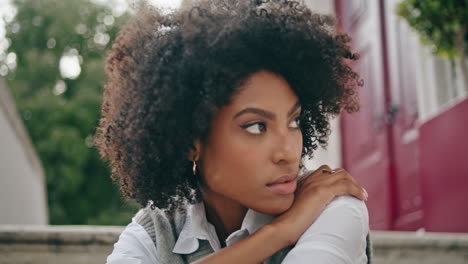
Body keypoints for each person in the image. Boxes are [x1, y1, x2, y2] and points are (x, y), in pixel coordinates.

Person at [96, 0, 371, 263]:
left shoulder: (332, 206)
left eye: (294, 122)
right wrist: (281, 231)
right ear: (191, 141)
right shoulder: (154, 232)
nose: (288, 153)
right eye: (256, 126)